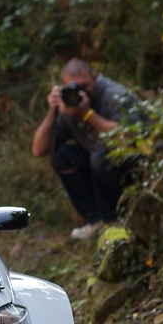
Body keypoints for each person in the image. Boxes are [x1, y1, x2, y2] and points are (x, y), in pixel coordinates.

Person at [31, 58, 140, 240]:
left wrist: (87, 114)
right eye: (74, 87)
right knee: (62, 154)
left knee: (101, 154)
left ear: (95, 78)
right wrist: (53, 111)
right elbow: (38, 150)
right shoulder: (68, 105)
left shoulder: (113, 96)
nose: (81, 92)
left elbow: (129, 138)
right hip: (103, 169)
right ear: (63, 87)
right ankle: (95, 221)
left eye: (86, 86)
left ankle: (114, 221)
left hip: (136, 163)